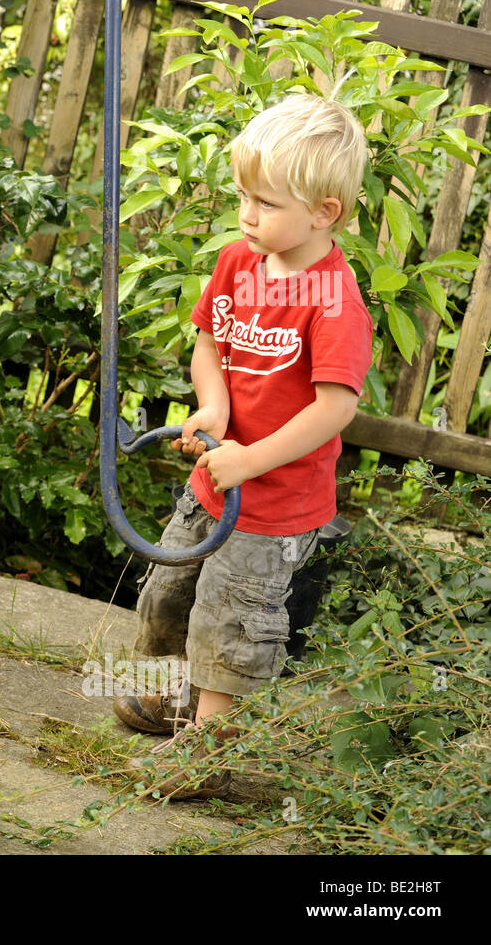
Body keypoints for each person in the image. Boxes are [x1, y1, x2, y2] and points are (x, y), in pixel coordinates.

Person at [113, 93, 374, 800]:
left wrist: (251, 460)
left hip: (273, 507)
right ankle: (180, 705)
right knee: (170, 597)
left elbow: (334, 408)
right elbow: (209, 346)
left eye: (265, 202)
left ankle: (209, 748)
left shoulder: (335, 301)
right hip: (214, 485)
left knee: (233, 621)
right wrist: (214, 406)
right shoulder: (238, 263)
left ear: (324, 212)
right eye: (242, 197)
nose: (246, 215)